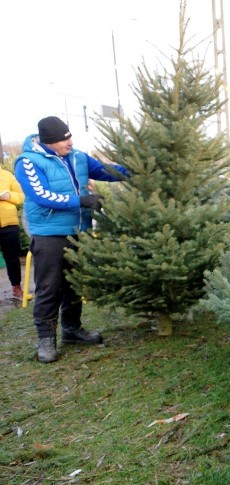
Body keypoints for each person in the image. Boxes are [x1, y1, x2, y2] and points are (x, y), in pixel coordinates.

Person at [14, 116, 129, 363]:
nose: (69, 142)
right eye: (63, 139)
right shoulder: (28, 162)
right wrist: (82, 200)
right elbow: (42, 196)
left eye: (69, 136)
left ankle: (71, 329)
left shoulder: (78, 157)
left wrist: (139, 169)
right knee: (49, 287)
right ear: (49, 141)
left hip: (79, 231)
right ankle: (46, 339)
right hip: (49, 234)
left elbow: (107, 171)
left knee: (74, 283)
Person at [0, 168, 25, 300]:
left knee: (12, 259)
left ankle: (16, 288)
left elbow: (21, 196)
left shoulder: (7, 176)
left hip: (9, 225)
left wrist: (8, 196)